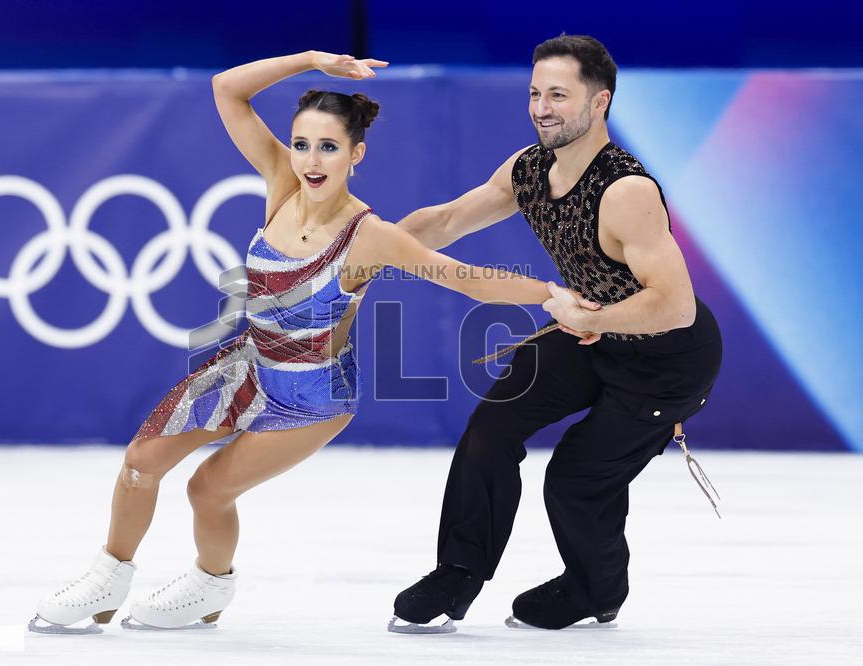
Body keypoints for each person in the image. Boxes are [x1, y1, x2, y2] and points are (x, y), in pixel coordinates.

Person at [29, 50, 572, 634]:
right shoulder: (282, 183)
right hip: (249, 367)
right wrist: (311, 61)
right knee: (140, 462)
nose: (311, 160)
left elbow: (469, 281)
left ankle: (209, 587)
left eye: (329, 147)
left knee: (207, 489)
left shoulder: (371, 237)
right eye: (302, 144)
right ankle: (108, 579)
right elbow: (226, 90)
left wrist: (550, 295)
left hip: (311, 402)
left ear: (355, 154)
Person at [389, 34, 723, 632]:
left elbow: (673, 306)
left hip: (666, 359)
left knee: (573, 478)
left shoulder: (625, 192)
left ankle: (597, 588)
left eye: (559, 95)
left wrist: (592, 319)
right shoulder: (529, 169)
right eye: (536, 93)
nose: (542, 107)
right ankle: (459, 574)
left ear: (599, 103)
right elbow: (445, 221)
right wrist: (370, 246)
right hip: (589, 332)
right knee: (492, 427)